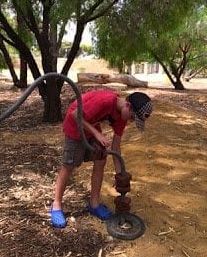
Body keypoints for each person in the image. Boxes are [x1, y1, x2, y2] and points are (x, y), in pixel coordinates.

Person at [50, 90, 153, 228]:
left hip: (90, 126)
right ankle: (56, 204)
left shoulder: (121, 116)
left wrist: (120, 175)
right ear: (127, 105)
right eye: (133, 117)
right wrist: (97, 134)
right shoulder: (106, 100)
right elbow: (74, 114)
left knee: (101, 159)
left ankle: (94, 204)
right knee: (69, 165)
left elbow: (116, 148)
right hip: (75, 126)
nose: (131, 121)